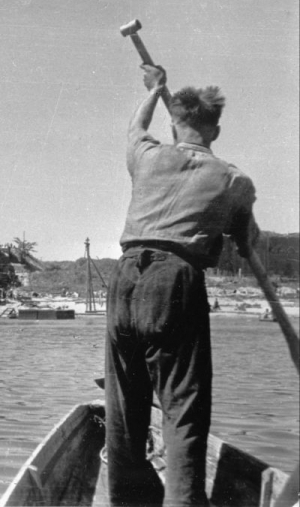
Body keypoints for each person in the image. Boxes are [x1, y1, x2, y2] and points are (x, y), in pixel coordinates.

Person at [105, 64, 259, 506]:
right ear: (217, 129)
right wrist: (243, 223)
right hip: (175, 280)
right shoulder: (233, 179)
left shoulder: (148, 155)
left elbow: (135, 126)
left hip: (126, 276)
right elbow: (248, 242)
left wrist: (154, 91)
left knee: (124, 409)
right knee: (183, 412)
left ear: (174, 123)